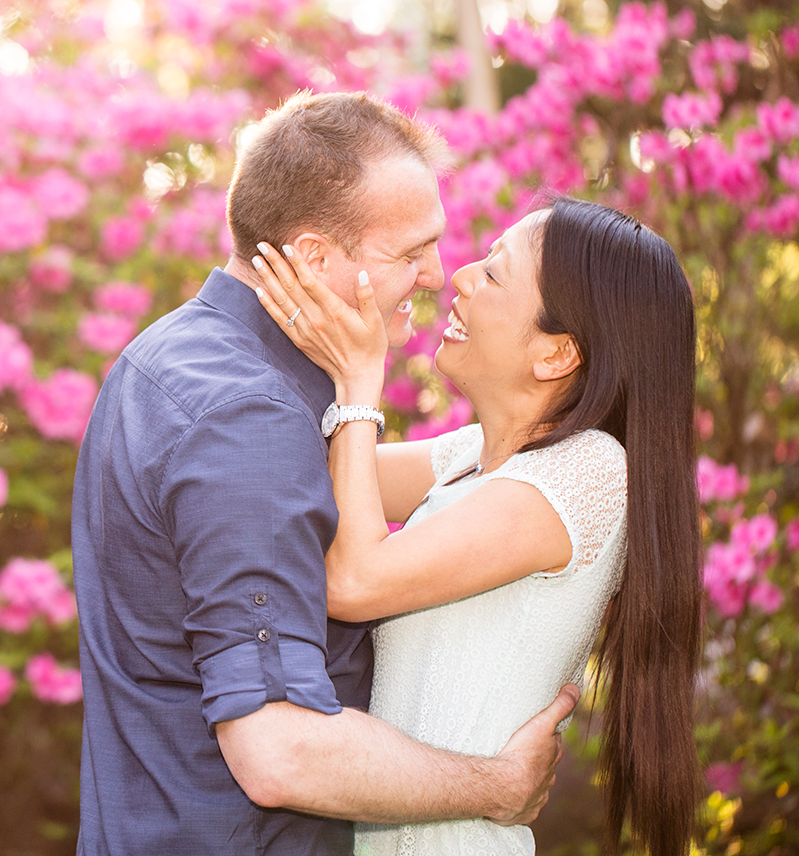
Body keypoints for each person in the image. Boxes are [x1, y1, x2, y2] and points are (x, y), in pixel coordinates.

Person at [70, 91, 578, 856]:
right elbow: (282, 753)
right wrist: (498, 786)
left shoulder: (169, 355)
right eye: (408, 254)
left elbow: (393, 475)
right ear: (313, 257)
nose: (438, 277)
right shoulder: (249, 419)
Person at [250, 196, 702, 856]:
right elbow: (303, 475)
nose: (460, 276)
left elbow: (351, 581)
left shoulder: (590, 472)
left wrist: (357, 382)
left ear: (557, 355)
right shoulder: (470, 457)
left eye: (494, 272)